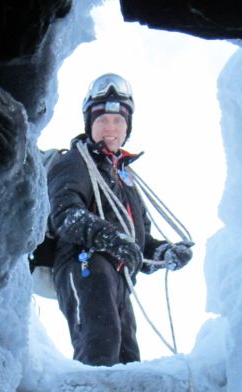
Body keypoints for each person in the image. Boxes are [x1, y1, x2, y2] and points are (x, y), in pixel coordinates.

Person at [47, 73, 193, 366]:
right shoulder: (74, 162)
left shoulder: (126, 179)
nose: (110, 128)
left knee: (128, 359)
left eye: (118, 121)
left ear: (128, 127)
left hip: (120, 277)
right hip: (84, 263)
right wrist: (113, 240)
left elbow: (141, 243)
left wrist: (163, 253)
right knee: (101, 343)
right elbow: (65, 214)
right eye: (102, 120)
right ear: (90, 124)